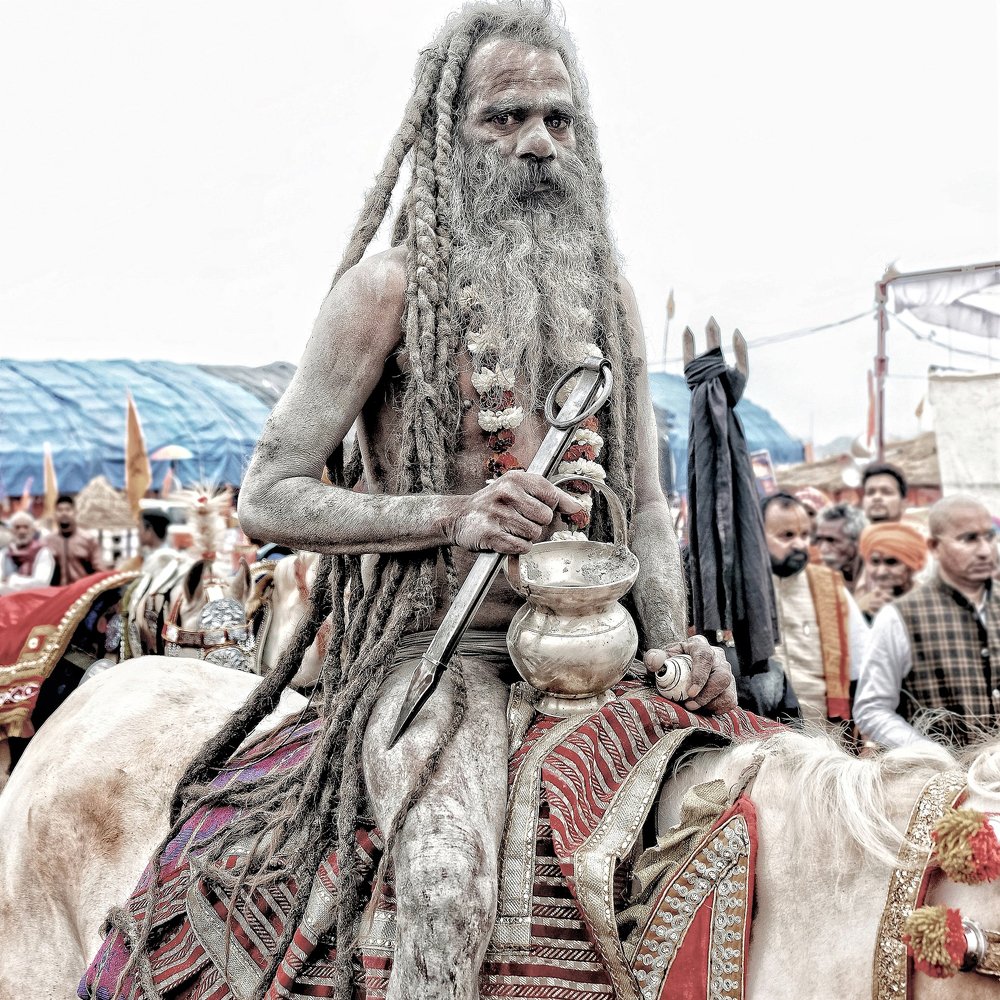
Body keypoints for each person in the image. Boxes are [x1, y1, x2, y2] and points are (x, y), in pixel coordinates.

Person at [154, 7, 738, 999]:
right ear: (446, 132)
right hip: (436, 661)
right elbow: (269, 496)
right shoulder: (382, 291)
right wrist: (451, 515)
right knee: (444, 890)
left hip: (602, 653)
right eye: (504, 118)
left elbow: (641, 502)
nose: (539, 142)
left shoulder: (611, 295)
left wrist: (674, 642)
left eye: (559, 118)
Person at [853, 495, 999, 749]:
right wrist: (931, 754)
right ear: (933, 547)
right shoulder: (899, 617)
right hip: (945, 782)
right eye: (969, 539)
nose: (985, 550)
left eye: (989, 537)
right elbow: (872, 709)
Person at [762, 492, 867, 729]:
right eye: (787, 535)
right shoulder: (736, 591)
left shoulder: (830, 587)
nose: (799, 544)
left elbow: (863, 669)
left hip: (825, 741)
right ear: (757, 536)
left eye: (804, 535)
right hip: (758, 741)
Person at [855, 520, 926, 623]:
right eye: (875, 562)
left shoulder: (932, 600)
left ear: (912, 565)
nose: (881, 572)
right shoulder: (862, 606)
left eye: (891, 562)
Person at [44, 494, 105, 584]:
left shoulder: (88, 540)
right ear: (55, 514)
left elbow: (100, 570)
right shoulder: (47, 541)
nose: (64, 513)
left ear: (75, 512)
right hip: (56, 593)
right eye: (60, 510)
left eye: (68, 510)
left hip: (83, 593)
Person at [813, 502, 866, 592]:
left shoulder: (878, 575)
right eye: (819, 540)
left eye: (831, 540)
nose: (823, 549)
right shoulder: (818, 578)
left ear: (857, 541)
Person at [0, 511, 55, 594]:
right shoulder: (4, 554)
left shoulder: (42, 552)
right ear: (11, 530)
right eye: (17, 527)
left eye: (26, 527)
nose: (22, 531)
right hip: (7, 604)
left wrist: (12, 580)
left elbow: (41, 584)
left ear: (33, 530)